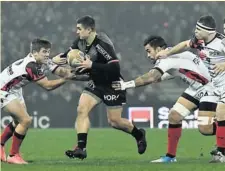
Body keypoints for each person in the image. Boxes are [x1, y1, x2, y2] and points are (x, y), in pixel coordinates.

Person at [53, 15, 147, 159]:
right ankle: (81, 148)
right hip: (96, 82)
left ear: (89, 30)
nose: (76, 32)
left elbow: (115, 68)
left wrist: (92, 65)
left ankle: (139, 134)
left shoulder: (102, 43)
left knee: (114, 122)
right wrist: (54, 60)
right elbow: (67, 55)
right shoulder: (80, 41)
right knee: (81, 109)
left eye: (79, 29)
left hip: (112, 84)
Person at [112, 35, 218, 163]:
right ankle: (170, 157)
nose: (148, 55)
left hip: (210, 88)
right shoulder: (174, 52)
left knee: (205, 129)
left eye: (149, 51)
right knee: (174, 116)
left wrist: (125, 85)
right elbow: (180, 69)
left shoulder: (165, 59)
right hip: (196, 88)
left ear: (159, 49)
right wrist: (159, 77)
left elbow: (152, 77)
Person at [155, 15, 225, 163]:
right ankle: (170, 157)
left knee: (214, 119)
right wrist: (167, 53)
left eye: (199, 29)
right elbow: (185, 44)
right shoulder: (198, 40)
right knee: (184, 120)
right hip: (207, 85)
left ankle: (221, 153)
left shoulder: (221, 42)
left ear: (209, 31)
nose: (196, 31)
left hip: (222, 85)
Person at [0, 38, 78, 164]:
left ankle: (1, 144)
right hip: (3, 90)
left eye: (48, 51)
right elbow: (47, 86)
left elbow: (61, 71)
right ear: (35, 53)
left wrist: (78, 71)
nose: (47, 54)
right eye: (44, 52)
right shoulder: (32, 66)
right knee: (25, 120)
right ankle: (13, 155)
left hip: (14, 89)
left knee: (17, 122)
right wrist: (66, 79)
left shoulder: (40, 60)